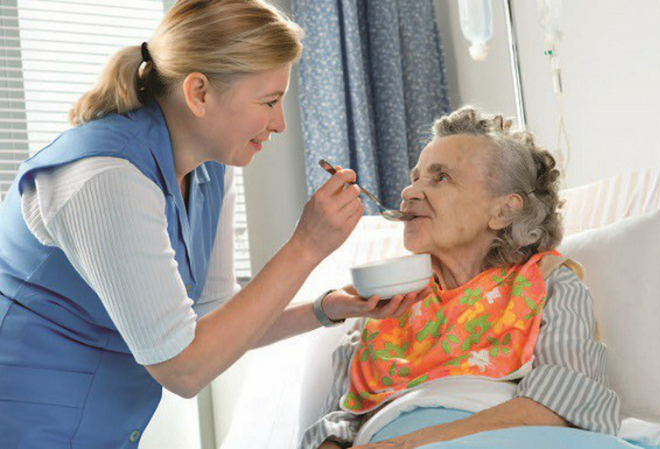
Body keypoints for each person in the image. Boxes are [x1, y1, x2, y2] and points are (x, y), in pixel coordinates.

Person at [0, 1, 427, 448]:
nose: (280, 123)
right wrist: (305, 246)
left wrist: (328, 308)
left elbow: (215, 321)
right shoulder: (107, 178)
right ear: (199, 93)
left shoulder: (210, 170)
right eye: (269, 102)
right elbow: (184, 369)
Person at [299, 106, 622, 449]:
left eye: (440, 178)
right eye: (415, 178)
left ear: (504, 210)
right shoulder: (384, 303)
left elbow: (562, 403)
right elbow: (337, 421)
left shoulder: (549, 284)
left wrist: (411, 444)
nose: (409, 192)